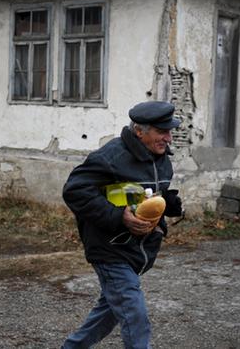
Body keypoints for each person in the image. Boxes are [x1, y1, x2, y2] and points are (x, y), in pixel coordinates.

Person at [61, 101, 183, 349]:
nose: (168, 138)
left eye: (169, 131)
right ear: (140, 131)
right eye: (162, 131)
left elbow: (144, 192)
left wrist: (167, 202)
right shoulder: (111, 157)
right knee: (134, 313)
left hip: (137, 250)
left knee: (109, 312)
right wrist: (119, 217)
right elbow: (74, 191)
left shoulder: (160, 158)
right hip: (109, 249)